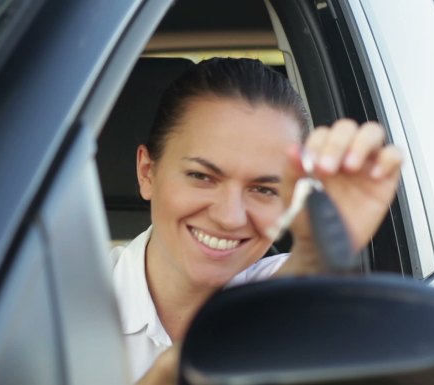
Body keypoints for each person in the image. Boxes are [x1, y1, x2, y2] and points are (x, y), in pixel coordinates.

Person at [109, 57, 403, 384]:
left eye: (263, 189)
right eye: (202, 176)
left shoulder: (296, 289)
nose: (230, 217)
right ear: (147, 172)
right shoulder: (57, 299)